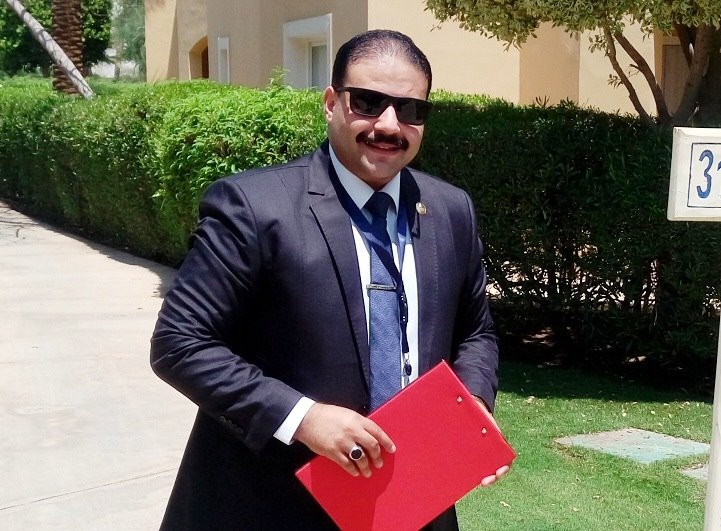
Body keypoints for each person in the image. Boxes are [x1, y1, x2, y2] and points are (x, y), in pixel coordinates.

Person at [150, 29, 508, 531]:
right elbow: (180, 343)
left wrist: (470, 404)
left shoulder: (451, 210)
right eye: (368, 102)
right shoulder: (254, 208)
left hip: (415, 500)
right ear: (331, 103)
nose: (389, 125)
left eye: (410, 110)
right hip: (273, 504)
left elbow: (475, 331)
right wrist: (303, 417)